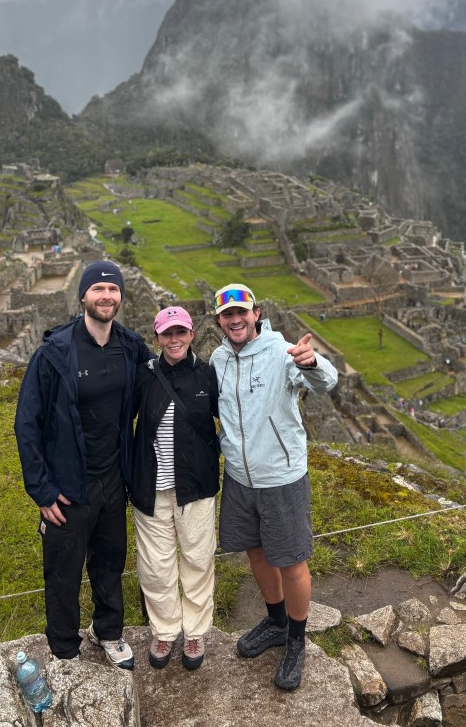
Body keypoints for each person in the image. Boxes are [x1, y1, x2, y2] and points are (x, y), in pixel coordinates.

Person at [14, 259, 149, 668]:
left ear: (120, 297)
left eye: (113, 289)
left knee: (109, 563)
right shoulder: (55, 353)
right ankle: (65, 650)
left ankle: (108, 632)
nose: (106, 296)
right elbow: (27, 423)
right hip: (67, 487)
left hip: (112, 479)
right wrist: (42, 490)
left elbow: (159, 383)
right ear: (83, 296)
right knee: (63, 573)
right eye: (98, 289)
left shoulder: (130, 347)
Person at [210, 282, 338, 692]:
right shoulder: (217, 360)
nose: (235, 320)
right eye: (227, 315)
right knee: (256, 551)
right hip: (239, 477)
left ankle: (297, 640)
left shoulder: (282, 352)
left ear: (256, 313)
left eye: (241, 312)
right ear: (219, 321)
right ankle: (276, 620)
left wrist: (312, 361)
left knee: (291, 560)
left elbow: (325, 382)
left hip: (280, 476)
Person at [127, 306, 219, 672]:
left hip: (195, 486)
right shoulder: (144, 376)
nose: (174, 339)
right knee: (155, 566)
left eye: (181, 332)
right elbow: (121, 419)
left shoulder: (207, 375)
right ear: (157, 338)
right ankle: (164, 630)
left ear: (192, 335)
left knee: (198, 560)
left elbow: (231, 418)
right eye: (167, 333)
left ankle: (194, 632)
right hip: (151, 486)